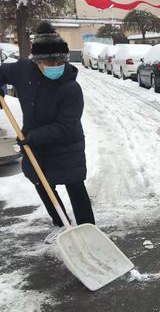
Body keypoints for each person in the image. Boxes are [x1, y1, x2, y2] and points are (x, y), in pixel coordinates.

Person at [0, 21, 95, 242]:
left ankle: (89, 229)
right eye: (48, 61)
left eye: (59, 60)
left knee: (75, 186)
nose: (55, 64)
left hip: (66, 146)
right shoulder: (24, 71)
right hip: (34, 146)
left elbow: (66, 126)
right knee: (42, 183)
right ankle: (61, 223)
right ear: (37, 62)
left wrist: (31, 139)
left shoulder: (71, 87)